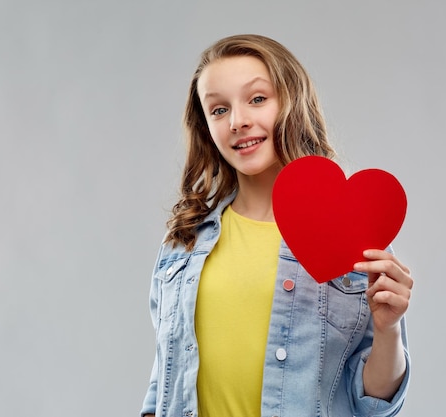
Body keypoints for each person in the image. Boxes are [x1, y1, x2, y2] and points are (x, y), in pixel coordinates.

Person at [141, 34, 413, 417]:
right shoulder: (182, 244)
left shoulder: (353, 236)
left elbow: (375, 405)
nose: (238, 121)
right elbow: (164, 383)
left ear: (291, 102)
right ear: (206, 127)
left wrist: (389, 330)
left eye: (257, 99)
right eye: (218, 110)